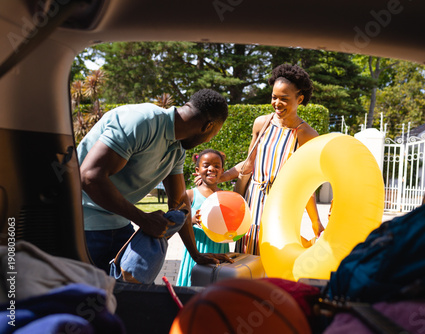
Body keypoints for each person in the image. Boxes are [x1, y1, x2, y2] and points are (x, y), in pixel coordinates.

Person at [77, 89, 232, 272]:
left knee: (127, 296)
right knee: (85, 295)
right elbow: (89, 176)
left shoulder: (177, 150)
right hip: (83, 224)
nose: (207, 141)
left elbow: (179, 201)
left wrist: (195, 254)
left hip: (119, 224)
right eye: (212, 135)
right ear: (207, 126)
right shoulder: (142, 121)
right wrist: (143, 219)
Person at [219, 64, 325, 255]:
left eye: (284, 99)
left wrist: (315, 222)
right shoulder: (262, 123)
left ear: (300, 99)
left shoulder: (307, 135)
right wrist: (220, 177)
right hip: (252, 203)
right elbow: (248, 165)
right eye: (274, 97)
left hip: (282, 207)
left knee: (274, 257)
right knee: (246, 259)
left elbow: (307, 184)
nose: (277, 103)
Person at [176, 149, 229, 286]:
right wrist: (192, 220)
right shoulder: (190, 195)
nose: (211, 168)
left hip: (219, 249)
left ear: (222, 171)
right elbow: (177, 222)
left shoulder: (226, 197)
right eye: (206, 165)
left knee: (216, 288)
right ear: (197, 170)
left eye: (216, 166)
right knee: (193, 286)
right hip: (197, 249)